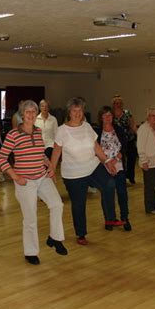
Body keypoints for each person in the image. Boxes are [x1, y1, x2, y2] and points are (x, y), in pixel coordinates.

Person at [0, 100, 67, 265]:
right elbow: (1, 158)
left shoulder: (38, 131)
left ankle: (55, 238)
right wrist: (15, 177)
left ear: (36, 114)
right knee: (30, 218)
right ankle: (30, 252)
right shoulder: (13, 134)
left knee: (57, 204)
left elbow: (40, 153)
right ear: (22, 115)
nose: (30, 114)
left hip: (42, 177)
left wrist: (49, 165)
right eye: (27, 112)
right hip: (25, 182)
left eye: (33, 112)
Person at [50, 97, 120, 246]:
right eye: (74, 110)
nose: (78, 113)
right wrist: (51, 171)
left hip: (92, 166)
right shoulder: (62, 130)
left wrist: (107, 161)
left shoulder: (87, 126)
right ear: (69, 112)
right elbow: (56, 153)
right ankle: (81, 234)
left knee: (109, 184)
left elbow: (96, 147)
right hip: (73, 173)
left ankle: (109, 218)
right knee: (79, 204)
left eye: (80, 110)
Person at [97, 106, 131, 231]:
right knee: (106, 194)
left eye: (109, 115)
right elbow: (96, 150)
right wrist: (107, 162)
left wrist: (115, 160)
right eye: (105, 115)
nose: (107, 117)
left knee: (122, 192)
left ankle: (125, 218)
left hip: (118, 165)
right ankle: (109, 219)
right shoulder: (97, 131)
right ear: (101, 117)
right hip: (104, 167)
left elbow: (124, 147)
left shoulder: (119, 130)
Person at [112, 95, 138, 184]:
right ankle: (121, 178)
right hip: (117, 142)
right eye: (116, 103)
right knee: (120, 160)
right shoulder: (110, 114)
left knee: (131, 159)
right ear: (113, 104)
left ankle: (130, 176)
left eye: (120, 103)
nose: (118, 105)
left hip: (129, 139)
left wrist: (138, 134)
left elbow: (133, 125)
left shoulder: (127, 113)